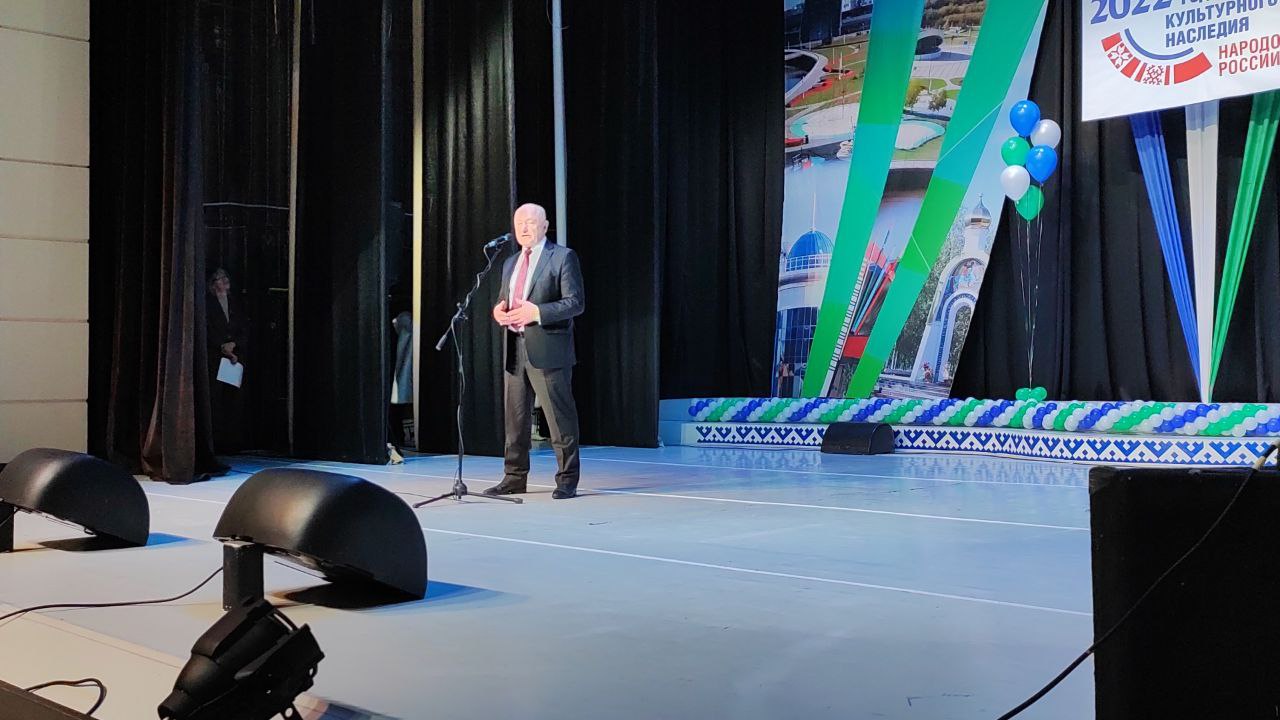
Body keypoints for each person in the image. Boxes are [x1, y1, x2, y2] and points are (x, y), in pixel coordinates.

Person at [486, 203, 585, 499]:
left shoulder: (562, 257)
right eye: (519, 223)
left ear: (544, 225)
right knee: (515, 420)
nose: (524, 228)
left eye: (530, 222)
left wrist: (537, 312)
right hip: (515, 348)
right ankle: (514, 477)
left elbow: (575, 303)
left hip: (549, 348)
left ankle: (567, 479)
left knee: (559, 418)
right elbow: (505, 299)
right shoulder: (510, 262)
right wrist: (499, 310)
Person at [207, 267, 247, 453]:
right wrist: (222, 346)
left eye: (225, 277)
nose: (224, 280)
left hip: (234, 358)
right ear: (213, 284)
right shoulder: (208, 304)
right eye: (219, 278)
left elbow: (244, 328)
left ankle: (233, 441)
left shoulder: (235, 304)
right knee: (217, 399)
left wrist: (234, 345)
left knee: (233, 400)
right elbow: (208, 329)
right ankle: (218, 441)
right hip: (216, 357)